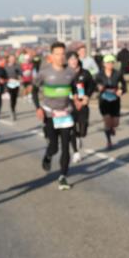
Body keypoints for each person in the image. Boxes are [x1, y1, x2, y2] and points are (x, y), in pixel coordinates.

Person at [32, 42, 77, 190]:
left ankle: (63, 176)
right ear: (51, 56)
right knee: (54, 146)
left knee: (65, 146)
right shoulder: (44, 73)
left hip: (66, 113)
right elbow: (34, 89)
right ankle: (48, 155)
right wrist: (38, 107)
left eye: (63, 54)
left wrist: (77, 99)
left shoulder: (70, 72)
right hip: (49, 113)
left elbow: (75, 88)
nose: (60, 57)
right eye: (57, 54)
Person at [66, 51, 95, 163]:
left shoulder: (85, 73)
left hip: (83, 103)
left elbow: (92, 85)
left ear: (78, 60)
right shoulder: (65, 73)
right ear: (67, 61)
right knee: (72, 128)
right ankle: (76, 152)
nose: (73, 61)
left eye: (75, 59)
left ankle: (79, 136)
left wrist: (87, 96)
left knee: (83, 128)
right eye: (70, 59)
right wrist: (72, 96)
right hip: (69, 104)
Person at [95, 54, 127, 149]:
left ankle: (112, 128)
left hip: (115, 100)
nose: (110, 64)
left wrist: (121, 91)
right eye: (108, 63)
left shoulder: (118, 74)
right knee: (107, 120)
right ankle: (108, 141)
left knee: (116, 123)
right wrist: (98, 88)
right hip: (104, 100)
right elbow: (94, 86)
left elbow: (124, 86)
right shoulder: (99, 75)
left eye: (112, 62)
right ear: (104, 64)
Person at [4, 54, 22, 121]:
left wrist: (20, 79)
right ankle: (12, 111)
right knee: (11, 97)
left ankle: (13, 109)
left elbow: (20, 74)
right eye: (11, 58)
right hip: (8, 84)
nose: (12, 60)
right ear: (8, 59)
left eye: (13, 58)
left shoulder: (17, 66)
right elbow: (3, 76)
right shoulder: (5, 67)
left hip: (16, 84)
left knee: (14, 99)